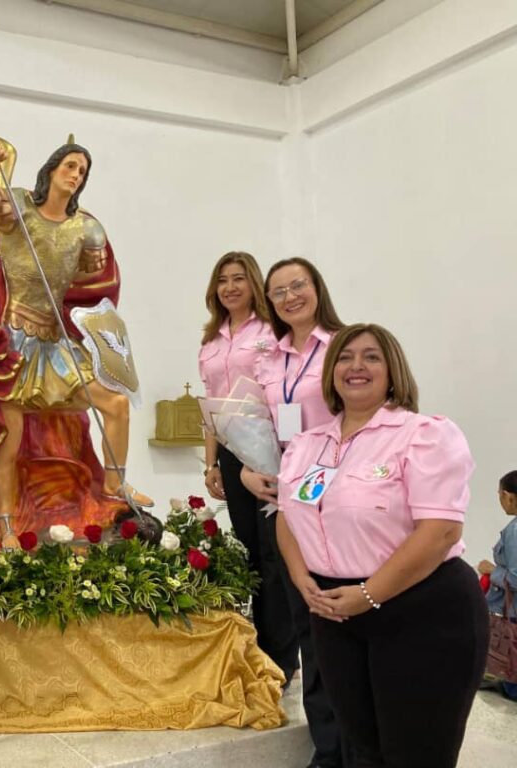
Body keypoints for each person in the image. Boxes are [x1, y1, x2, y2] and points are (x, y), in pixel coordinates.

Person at [276, 323, 487, 768]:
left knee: (416, 755)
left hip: (420, 609)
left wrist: (369, 595)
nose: (356, 366)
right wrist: (301, 578)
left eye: (371, 357)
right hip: (336, 614)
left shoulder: (423, 435)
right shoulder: (308, 445)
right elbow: (288, 515)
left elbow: (440, 531)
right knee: (362, 751)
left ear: (393, 371)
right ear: (331, 372)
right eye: (345, 357)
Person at [0, 140, 149, 544]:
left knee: (116, 404)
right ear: (51, 169)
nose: (76, 175)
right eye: (70, 165)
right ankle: (6, 525)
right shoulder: (17, 208)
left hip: (56, 345)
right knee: (10, 440)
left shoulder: (86, 228)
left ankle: (114, 484)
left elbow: (95, 282)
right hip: (14, 345)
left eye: (83, 171)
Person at [240, 257, 347, 768]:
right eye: (278, 291)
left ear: (316, 288)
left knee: (338, 624)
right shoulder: (270, 357)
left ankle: (352, 744)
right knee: (305, 623)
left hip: (335, 497)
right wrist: (248, 470)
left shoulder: (344, 346)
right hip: (286, 499)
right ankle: (327, 746)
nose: (289, 297)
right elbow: (259, 424)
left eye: (297, 285)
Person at [198, 251, 297, 684]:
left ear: (253, 283)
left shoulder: (271, 331)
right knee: (251, 551)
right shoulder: (211, 340)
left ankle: (282, 658)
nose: (230, 287)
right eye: (222, 280)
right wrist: (211, 463)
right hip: (231, 453)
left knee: (276, 551)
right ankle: (259, 647)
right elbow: (210, 408)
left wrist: (291, 452)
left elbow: (286, 392)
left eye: (238, 278)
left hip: (270, 449)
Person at [479, 470, 517, 700]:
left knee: (509, 654)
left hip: (513, 611)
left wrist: (491, 570)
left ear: (508, 496)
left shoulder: (515, 531)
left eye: (499, 495)